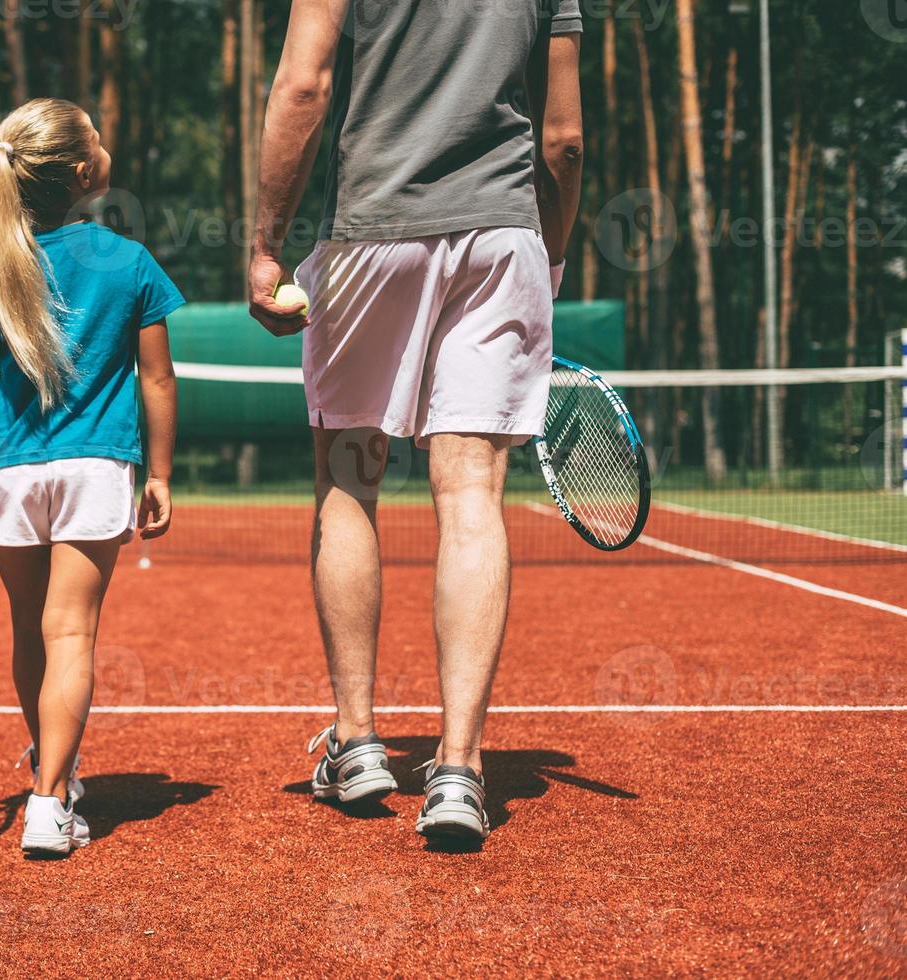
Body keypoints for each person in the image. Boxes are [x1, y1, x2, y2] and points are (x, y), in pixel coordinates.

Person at [249, 0, 584, 844]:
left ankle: (358, 743)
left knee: (349, 479)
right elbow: (565, 140)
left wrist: (264, 246)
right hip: (503, 236)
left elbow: (301, 88)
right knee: (471, 493)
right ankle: (461, 769)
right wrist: (552, 251)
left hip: (372, 230)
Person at [0, 98, 183, 857]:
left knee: (30, 633)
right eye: (97, 136)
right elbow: (157, 381)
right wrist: (161, 474)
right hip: (94, 469)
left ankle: (49, 773)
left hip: (10, 472)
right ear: (86, 171)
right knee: (72, 633)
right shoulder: (131, 262)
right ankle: (49, 800)